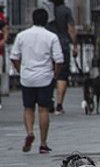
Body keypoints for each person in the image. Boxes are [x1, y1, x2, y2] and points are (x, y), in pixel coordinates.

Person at [10, 9, 64, 153]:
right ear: (46, 20)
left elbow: (14, 56)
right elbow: (59, 59)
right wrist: (55, 74)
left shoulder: (22, 36)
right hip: (45, 77)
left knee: (28, 108)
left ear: (32, 19)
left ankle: (29, 132)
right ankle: (43, 143)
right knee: (43, 109)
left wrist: (20, 70)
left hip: (27, 77)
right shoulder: (51, 36)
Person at [45, 0, 75, 114]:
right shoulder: (66, 11)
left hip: (48, 45)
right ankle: (59, 104)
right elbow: (71, 29)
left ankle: (49, 100)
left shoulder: (48, 11)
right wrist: (75, 44)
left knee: (49, 73)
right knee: (62, 75)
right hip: (63, 45)